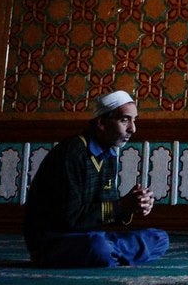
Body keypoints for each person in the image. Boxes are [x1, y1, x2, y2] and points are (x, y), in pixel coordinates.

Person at [23, 89, 169, 268]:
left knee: (160, 238)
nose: (133, 129)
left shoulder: (110, 153)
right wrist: (121, 206)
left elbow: (107, 211)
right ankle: (111, 254)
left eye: (134, 120)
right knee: (98, 246)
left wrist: (132, 205)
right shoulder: (72, 153)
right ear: (101, 122)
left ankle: (111, 254)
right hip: (55, 240)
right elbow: (70, 218)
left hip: (89, 236)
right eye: (124, 120)